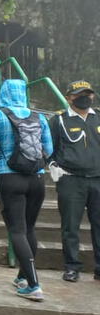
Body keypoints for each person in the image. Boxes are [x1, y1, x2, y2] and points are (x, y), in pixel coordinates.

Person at [0, 79, 53, 301]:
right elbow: (49, 148)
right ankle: (23, 277)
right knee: (29, 228)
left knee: (16, 230)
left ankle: (33, 285)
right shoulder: (39, 117)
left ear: (3, 93)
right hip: (36, 178)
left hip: (10, 178)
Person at [48, 80, 100, 283]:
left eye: (88, 93)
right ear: (69, 97)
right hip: (71, 180)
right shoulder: (59, 120)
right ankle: (72, 267)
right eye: (79, 94)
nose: (84, 97)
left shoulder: (98, 117)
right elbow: (48, 147)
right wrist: (53, 166)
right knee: (70, 226)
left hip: (98, 179)